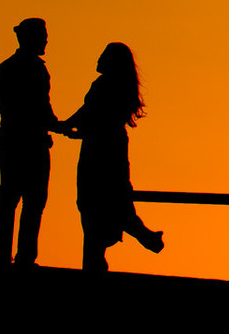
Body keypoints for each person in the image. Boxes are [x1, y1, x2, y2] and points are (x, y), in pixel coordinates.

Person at [65, 42, 164, 272]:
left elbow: (89, 113)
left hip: (97, 152)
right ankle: (143, 235)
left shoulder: (104, 86)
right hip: (114, 149)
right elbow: (94, 116)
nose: (97, 59)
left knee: (92, 205)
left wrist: (68, 125)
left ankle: (95, 262)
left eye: (102, 55)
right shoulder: (122, 87)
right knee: (115, 201)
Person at [0, 18, 69, 266]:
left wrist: (54, 125)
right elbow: (40, 109)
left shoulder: (5, 68)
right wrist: (58, 126)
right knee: (31, 202)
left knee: (10, 197)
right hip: (30, 144)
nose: (46, 40)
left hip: (12, 140)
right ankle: (23, 257)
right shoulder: (35, 70)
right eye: (43, 35)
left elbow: (4, 107)